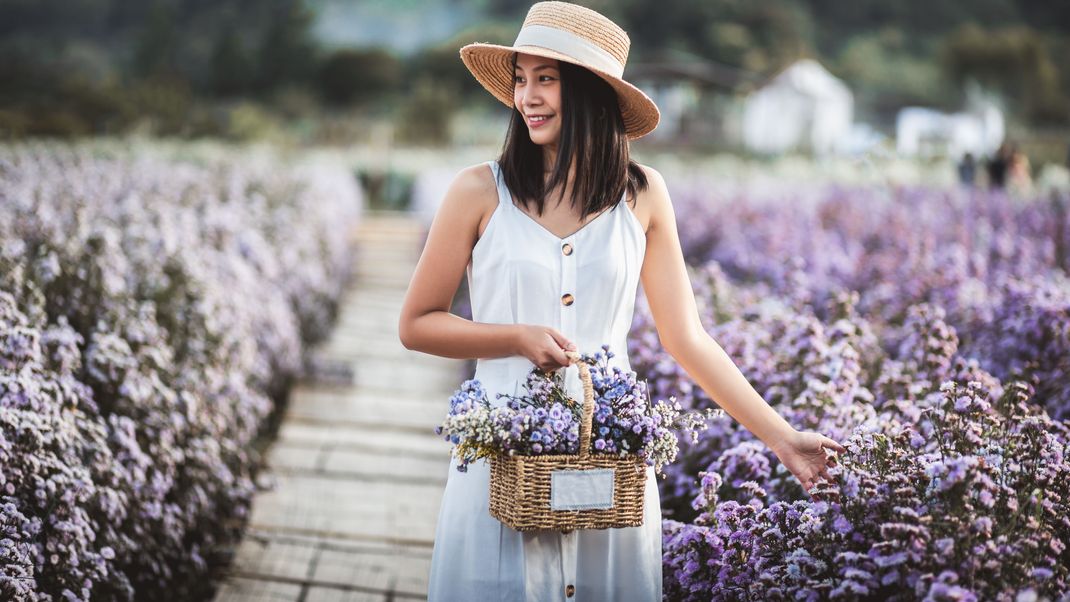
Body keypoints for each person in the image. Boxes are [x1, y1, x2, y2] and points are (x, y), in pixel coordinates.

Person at [398, 2, 845, 600]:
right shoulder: (479, 191)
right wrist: (514, 337)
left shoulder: (644, 195)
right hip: (500, 463)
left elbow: (686, 338)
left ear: (589, 91)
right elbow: (417, 323)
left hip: (610, 462)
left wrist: (785, 439)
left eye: (546, 79)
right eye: (521, 79)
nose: (527, 96)